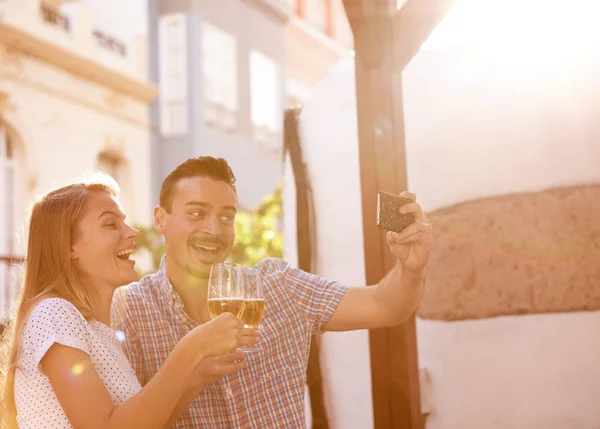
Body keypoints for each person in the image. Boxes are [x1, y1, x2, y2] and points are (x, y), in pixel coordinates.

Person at [112, 157, 434, 428]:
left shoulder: (278, 286)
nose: (213, 229)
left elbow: (385, 305)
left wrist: (411, 268)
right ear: (161, 219)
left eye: (226, 217)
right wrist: (191, 373)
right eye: (196, 213)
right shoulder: (130, 312)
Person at [0, 177, 256, 428]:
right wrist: (191, 348)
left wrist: (196, 377)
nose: (132, 232)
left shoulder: (100, 333)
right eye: (111, 224)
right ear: (70, 246)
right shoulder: (53, 313)